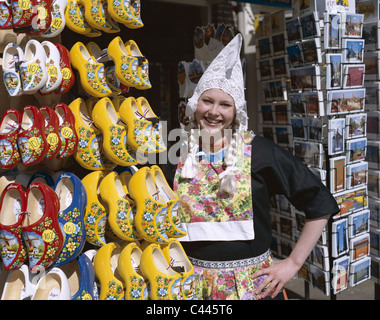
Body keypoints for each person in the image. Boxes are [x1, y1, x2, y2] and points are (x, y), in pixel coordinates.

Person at [165, 33, 339, 300]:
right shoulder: (174, 153)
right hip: (187, 285)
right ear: (194, 103)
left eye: (225, 105)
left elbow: (320, 202)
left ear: (236, 112)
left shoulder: (260, 152)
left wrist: (292, 264)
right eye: (207, 101)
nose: (214, 112)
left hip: (250, 288)